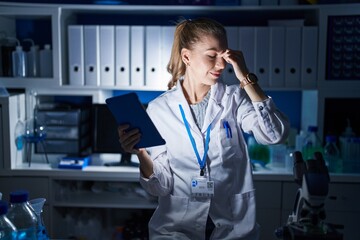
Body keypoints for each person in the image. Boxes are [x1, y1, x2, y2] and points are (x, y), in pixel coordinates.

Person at [118, 18, 290, 240]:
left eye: (224, 56)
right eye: (211, 56)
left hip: (233, 228)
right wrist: (140, 153)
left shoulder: (234, 99)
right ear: (187, 56)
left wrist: (247, 79)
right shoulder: (160, 109)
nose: (221, 65)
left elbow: (275, 135)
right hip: (176, 230)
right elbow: (160, 187)